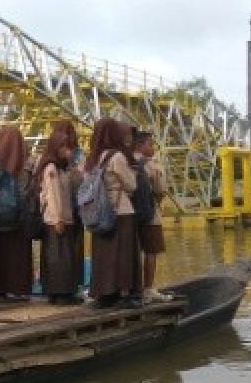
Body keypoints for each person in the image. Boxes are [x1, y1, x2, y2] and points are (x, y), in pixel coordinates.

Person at [84, 118, 142, 309]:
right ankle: (125, 294)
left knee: (103, 255)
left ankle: (104, 294)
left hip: (99, 212)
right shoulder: (116, 157)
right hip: (120, 210)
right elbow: (131, 185)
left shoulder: (92, 158)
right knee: (124, 254)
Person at [0, 125, 33, 301]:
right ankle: (18, 287)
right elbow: (29, 187)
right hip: (19, 213)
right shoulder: (27, 159)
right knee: (18, 250)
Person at [37, 130, 81, 305]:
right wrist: (57, 219)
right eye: (62, 146)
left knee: (62, 257)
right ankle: (60, 293)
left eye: (67, 146)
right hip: (57, 219)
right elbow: (52, 195)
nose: (66, 150)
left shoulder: (63, 168)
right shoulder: (51, 168)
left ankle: (61, 292)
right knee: (59, 258)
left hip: (64, 217)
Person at [134, 131, 173, 303]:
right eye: (150, 144)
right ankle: (148, 288)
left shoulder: (126, 160)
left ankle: (133, 288)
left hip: (130, 216)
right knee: (151, 251)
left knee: (133, 252)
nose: (153, 147)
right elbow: (161, 190)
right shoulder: (151, 164)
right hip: (150, 216)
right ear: (140, 145)